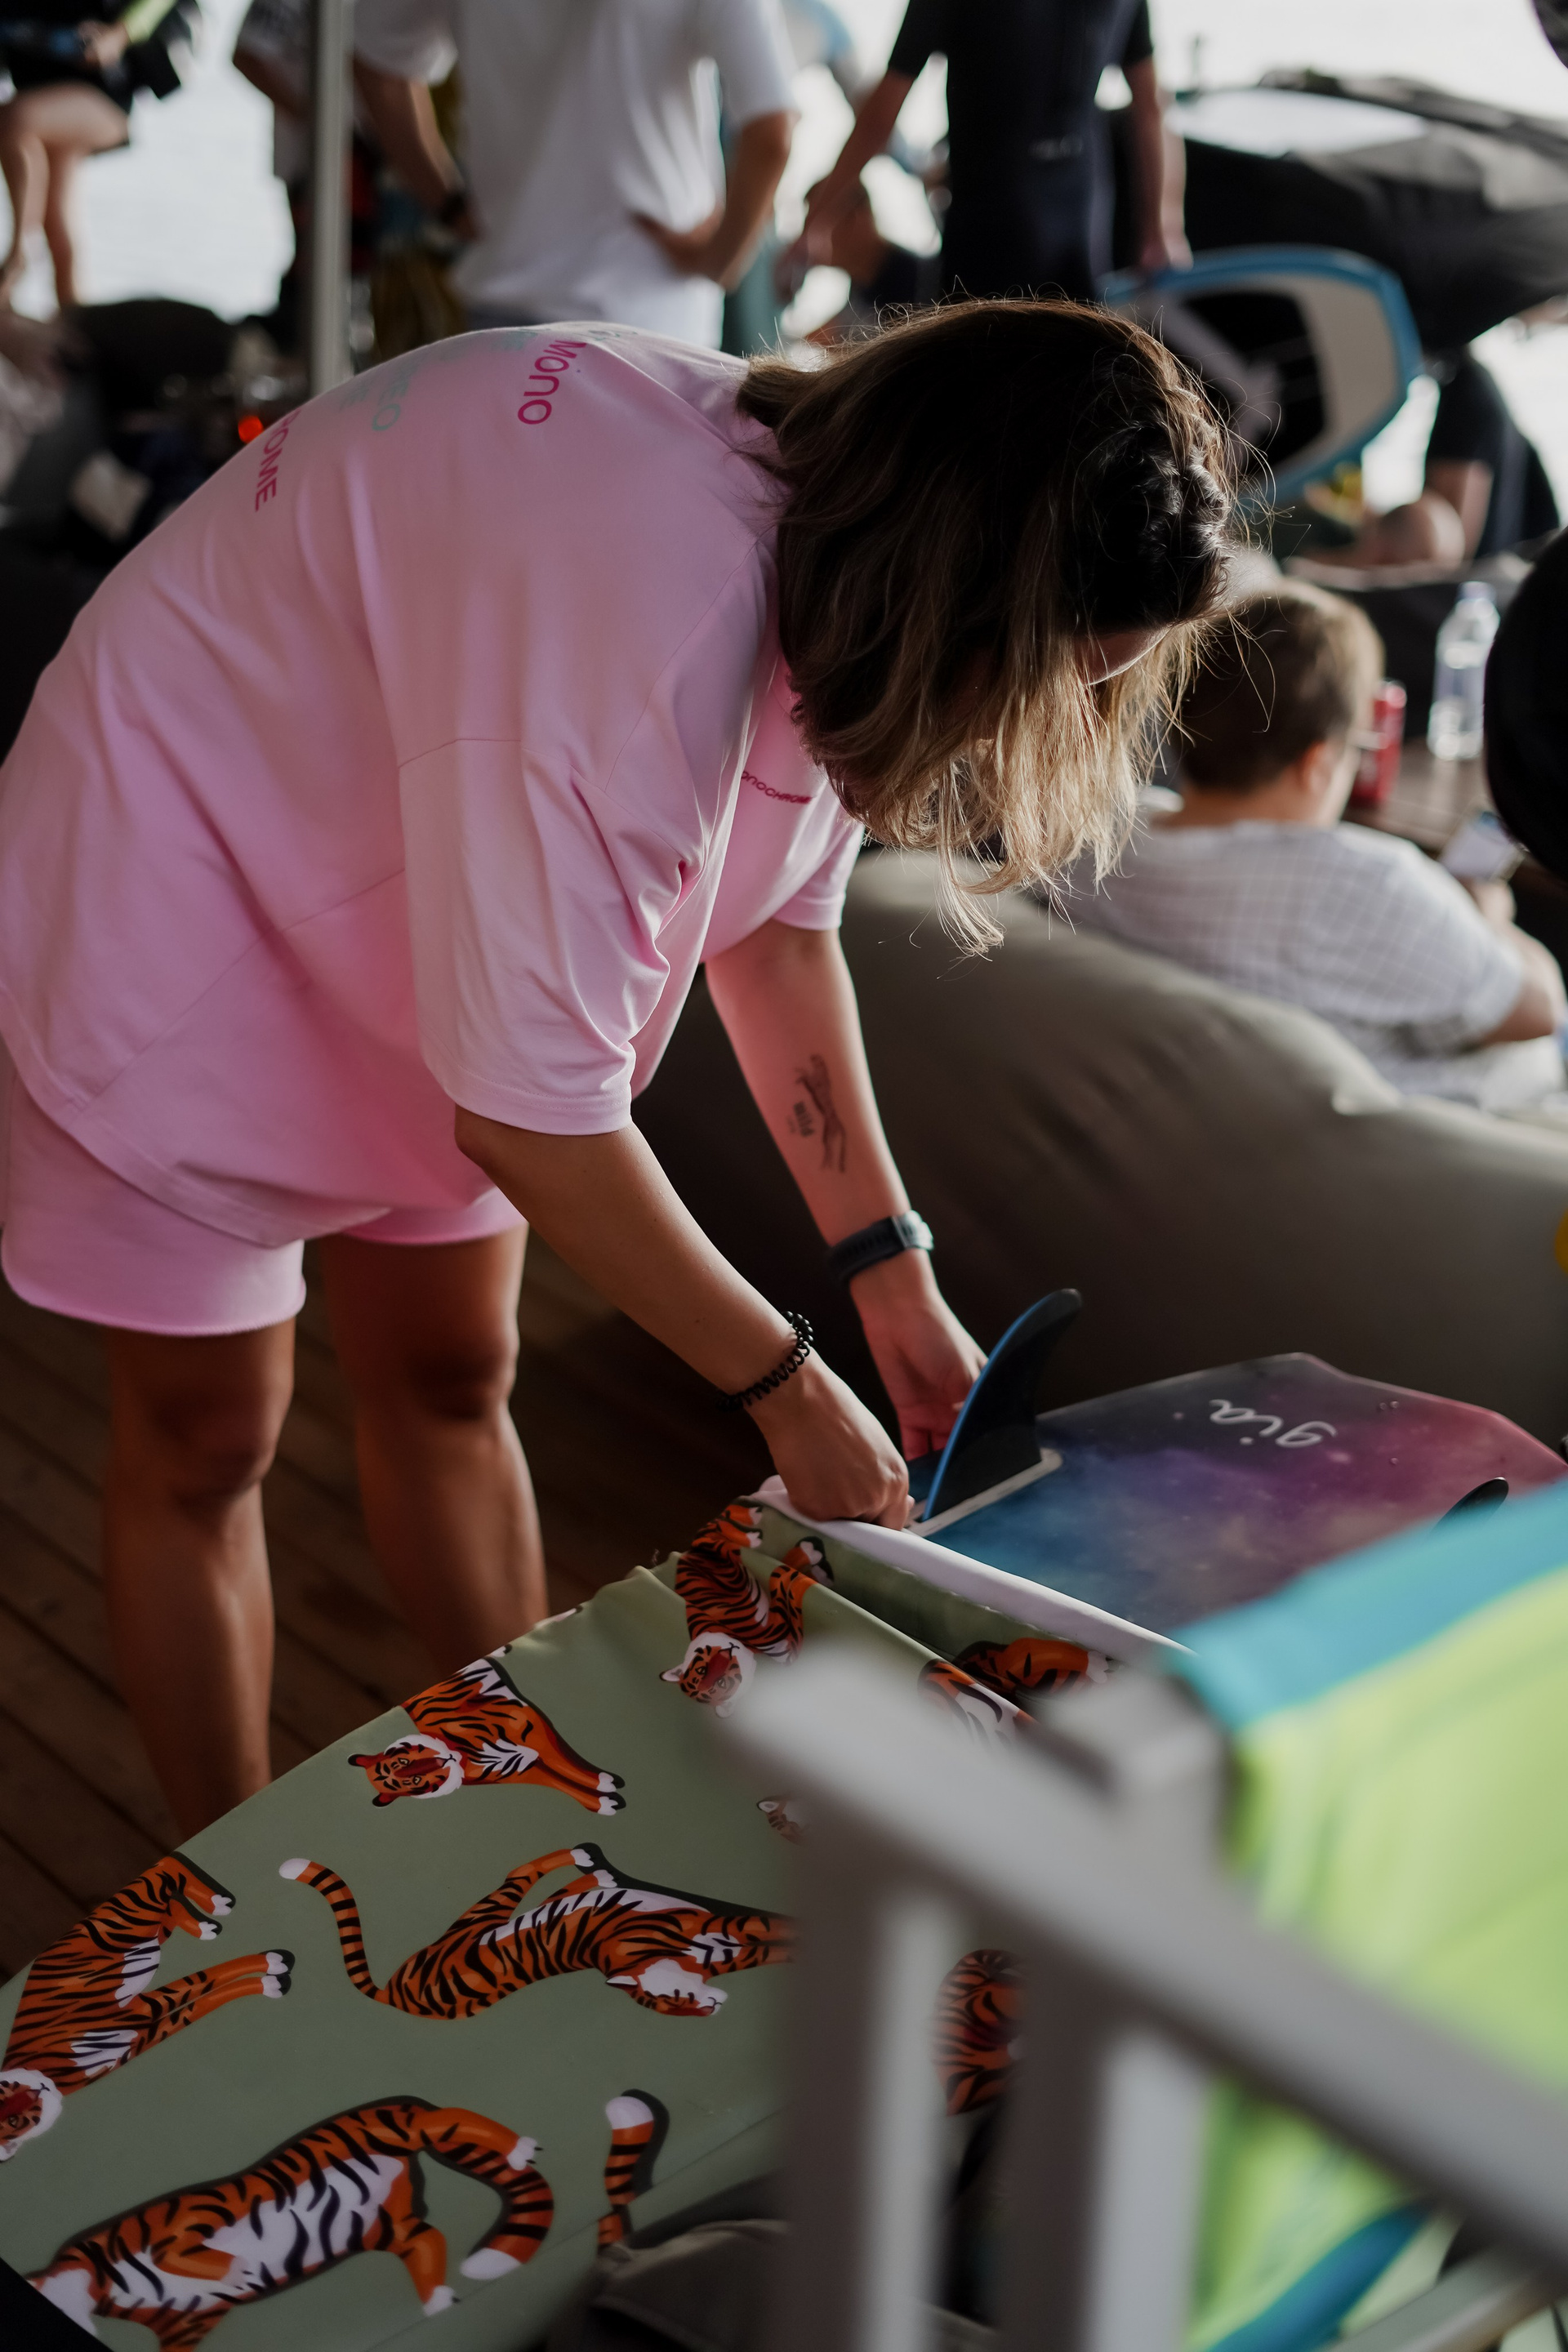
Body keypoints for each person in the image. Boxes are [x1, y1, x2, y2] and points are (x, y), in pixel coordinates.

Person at [0, 300, 1231, 1833]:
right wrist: (793, 1392)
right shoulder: (639, 610)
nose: (1053, 718)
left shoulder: (855, 542)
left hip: (423, 877)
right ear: (962, 591)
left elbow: (776, 941)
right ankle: (216, 1884)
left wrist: (891, 1278)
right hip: (182, 888)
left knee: (456, 1374)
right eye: (1052, 671)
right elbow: (534, 1120)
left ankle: (531, 1807)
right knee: (209, 1440)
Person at [1067, 586, 1568, 1111]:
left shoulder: (1092, 840)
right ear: (1319, 764)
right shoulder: (1368, 885)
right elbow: (1539, 1012)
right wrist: (1490, 920)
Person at [347, 0, 796, 345]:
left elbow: (379, 68)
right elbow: (772, 132)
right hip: (655, 320)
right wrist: (718, 262)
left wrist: (446, 202)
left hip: (506, 311)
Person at [791, 0, 1187, 305]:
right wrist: (1162, 227)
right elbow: (1151, 108)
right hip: (1081, 216)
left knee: (978, 377)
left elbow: (880, 116)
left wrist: (816, 222)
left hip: (992, 220)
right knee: (1071, 371)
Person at [0, 0, 189, 310]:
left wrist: (120, 34)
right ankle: (76, 321)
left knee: (13, 118)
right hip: (42, 104)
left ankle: (16, 254)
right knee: (57, 225)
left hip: (102, 98)